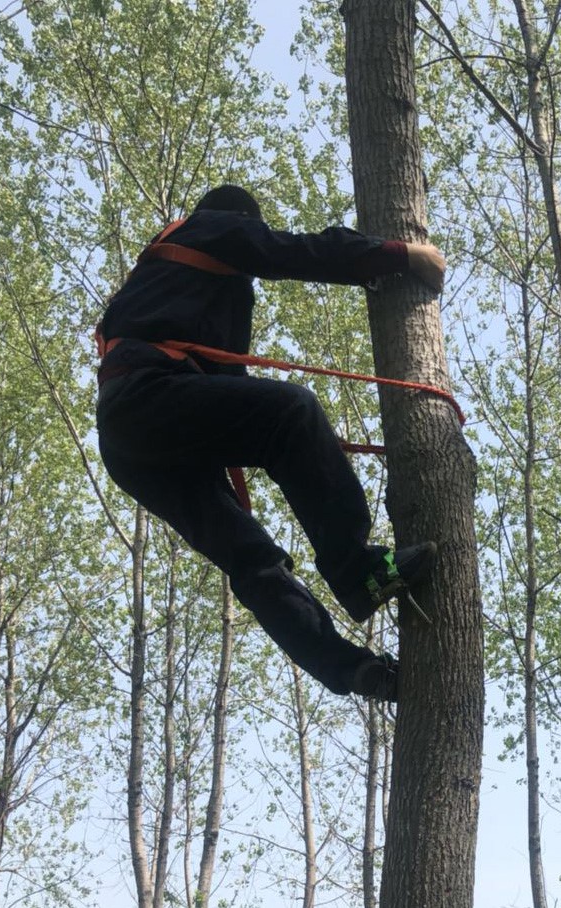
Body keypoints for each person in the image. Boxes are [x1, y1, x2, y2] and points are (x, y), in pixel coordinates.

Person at [96, 185, 444, 701]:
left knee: (255, 561)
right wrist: (397, 255)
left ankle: (353, 671)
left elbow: (226, 403)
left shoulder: (171, 285)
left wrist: (316, 446)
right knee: (293, 412)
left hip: (134, 439)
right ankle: (357, 571)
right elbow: (292, 250)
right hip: (151, 396)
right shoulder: (211, 227)